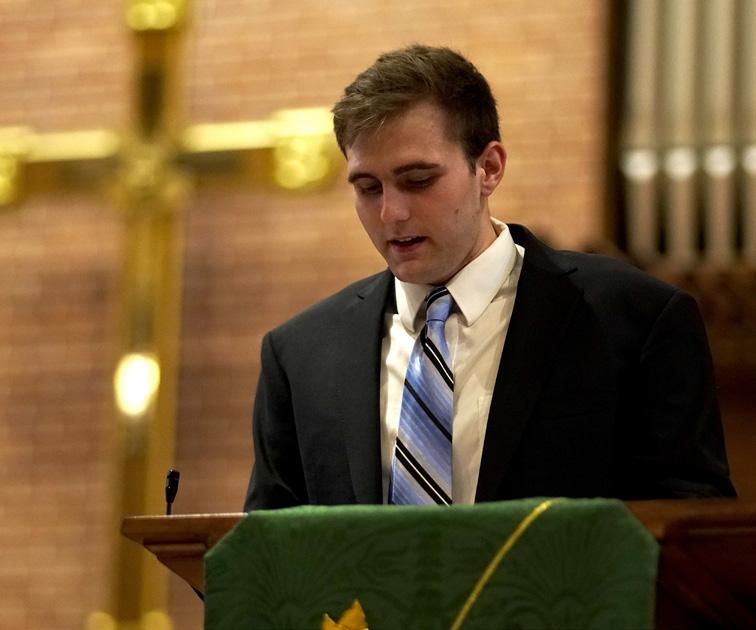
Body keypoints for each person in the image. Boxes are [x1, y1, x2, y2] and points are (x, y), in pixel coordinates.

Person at [244, 45, 735, 510]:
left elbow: (690, 524)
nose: (391, 213)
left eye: (418, 180)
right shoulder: (300, 355)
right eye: (369, 188)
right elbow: (266, 547)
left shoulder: (635, 319)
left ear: (489, 168)